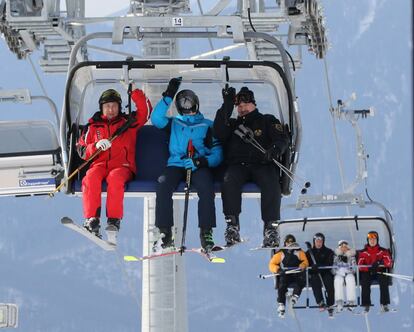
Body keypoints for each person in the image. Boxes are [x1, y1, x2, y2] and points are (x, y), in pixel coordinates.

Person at [151, 77, 223, 252]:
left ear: (196, 105)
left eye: (190, 104)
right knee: (163, 185)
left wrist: (201, 161)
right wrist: (168, 95)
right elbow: (156, 118)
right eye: (183, 105)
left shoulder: (208, 125)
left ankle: (206, 232)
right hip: (176, 163)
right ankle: (165, 232)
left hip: (198, 164)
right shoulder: (174, 122)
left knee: (206, 188)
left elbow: (217, 153)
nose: (187, 108)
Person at [213, 85, 289, 247]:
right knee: (229, 180)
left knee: (271, 182)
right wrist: (227, 103)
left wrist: (275, 150)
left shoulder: (267, 120)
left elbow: (281, 139)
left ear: (253, 103)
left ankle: (271, 228)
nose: (241, 108)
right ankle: (232, 225)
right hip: (238, 165)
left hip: (262, 163)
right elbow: (218, 131)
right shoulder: (232, 125)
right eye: (238, 106)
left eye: (244, 104)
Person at [77, 87, 152, 236]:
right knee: (90, 177)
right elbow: (82, 150)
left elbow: (146, 111)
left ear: (119, 107)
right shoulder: (92, 127)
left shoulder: (128, 124)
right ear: (101, 108)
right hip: (99, 165)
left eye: (114, 106)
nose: (111, 110)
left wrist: (134, 92)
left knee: (115, 179)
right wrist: (95, 146)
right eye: (107, 106)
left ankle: (114, 220)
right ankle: (92, 219)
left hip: (122, 166)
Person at [268, 234, 309, 318]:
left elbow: (305, 261)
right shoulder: (281, 253)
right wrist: (278, 270)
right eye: (288, 242)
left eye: (291, 242)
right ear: (285, 243)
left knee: (301, 281)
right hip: (287, 273)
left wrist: (303, 265)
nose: (290, 244)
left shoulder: (299, 252)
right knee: (282, 285)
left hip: (297, 272)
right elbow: (271, 264)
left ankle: (295, 297)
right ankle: (281, 304)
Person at [357, 230, 393, 313]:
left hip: (379, 271)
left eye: (374, 239)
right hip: (368, 272)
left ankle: (384, 304)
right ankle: (366, 304)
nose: (372, 241)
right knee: (365, 280)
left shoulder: (382, 251)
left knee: (383, 280)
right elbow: (360, 265)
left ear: (377, 240)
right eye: (370, 240)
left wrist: (379, 263)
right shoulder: (363, 252)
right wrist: (368, 268)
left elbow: (388, 262)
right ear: (368, 240)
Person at [306, 232, 335, 316]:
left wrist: (320, 266)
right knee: (315, 281)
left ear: (323, 242)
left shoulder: (328, 251)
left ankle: (330, 303)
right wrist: (312, 268)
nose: (319, 243)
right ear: (314, 242)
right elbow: (305, 262)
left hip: (325, 272)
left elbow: (330, 263)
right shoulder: (310, 252)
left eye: (320, 241)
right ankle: (320, 302)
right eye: (317, 241)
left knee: (329, 283)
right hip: (315, 273)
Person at [333, 240, 357, 312]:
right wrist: (337, 263)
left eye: (345, 247)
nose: (344, 248)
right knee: (338, 280)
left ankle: (351, 300)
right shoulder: (336, 256)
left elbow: (354, 269)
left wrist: (348, 262)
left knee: (350, 278)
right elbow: (332, 270)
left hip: (348, 273)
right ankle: (339, 300)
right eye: (342, 247)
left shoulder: (351, 256)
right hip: (339, 273)